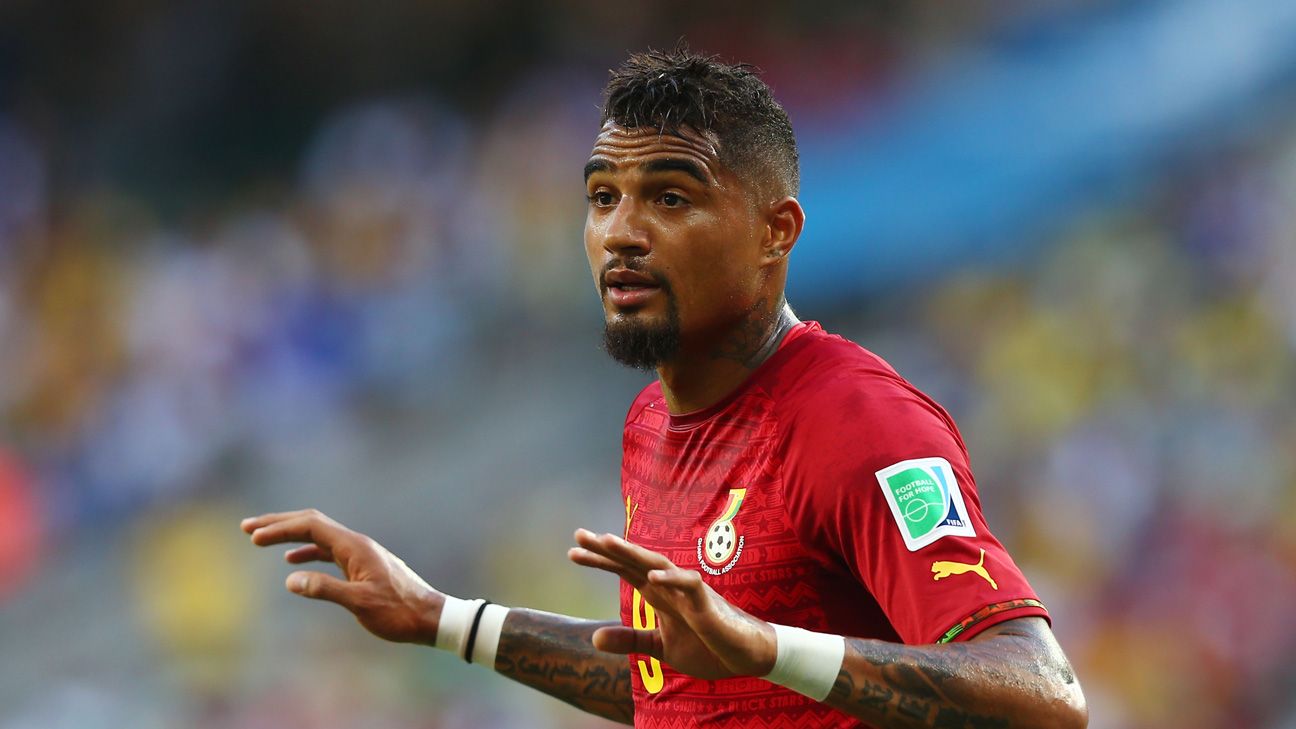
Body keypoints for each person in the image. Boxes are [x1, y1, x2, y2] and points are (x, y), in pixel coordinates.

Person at [242, 46, 1087, 728]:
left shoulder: (856, 419)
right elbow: (678, 686)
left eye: (671, 198)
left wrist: (767, 647)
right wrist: (442, 618)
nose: (621, 232)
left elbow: (1042, 695)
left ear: (775, 231)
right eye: (603, 196)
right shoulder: (654, 420)